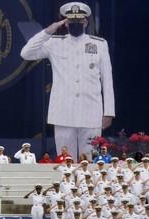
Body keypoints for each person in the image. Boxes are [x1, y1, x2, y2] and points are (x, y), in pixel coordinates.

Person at [20, 2, 115, 160]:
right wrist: (48, 31)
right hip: (63, 112)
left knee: (90, 162)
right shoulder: (54, 43)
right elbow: (26, 53)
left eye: (79, 21)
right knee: (65, 161)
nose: (75, 24)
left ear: (85, 22)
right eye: (71, 21)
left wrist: (109, 112)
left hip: (91, 112)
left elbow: (107, 80)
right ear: (66, 22)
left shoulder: (99, 44)